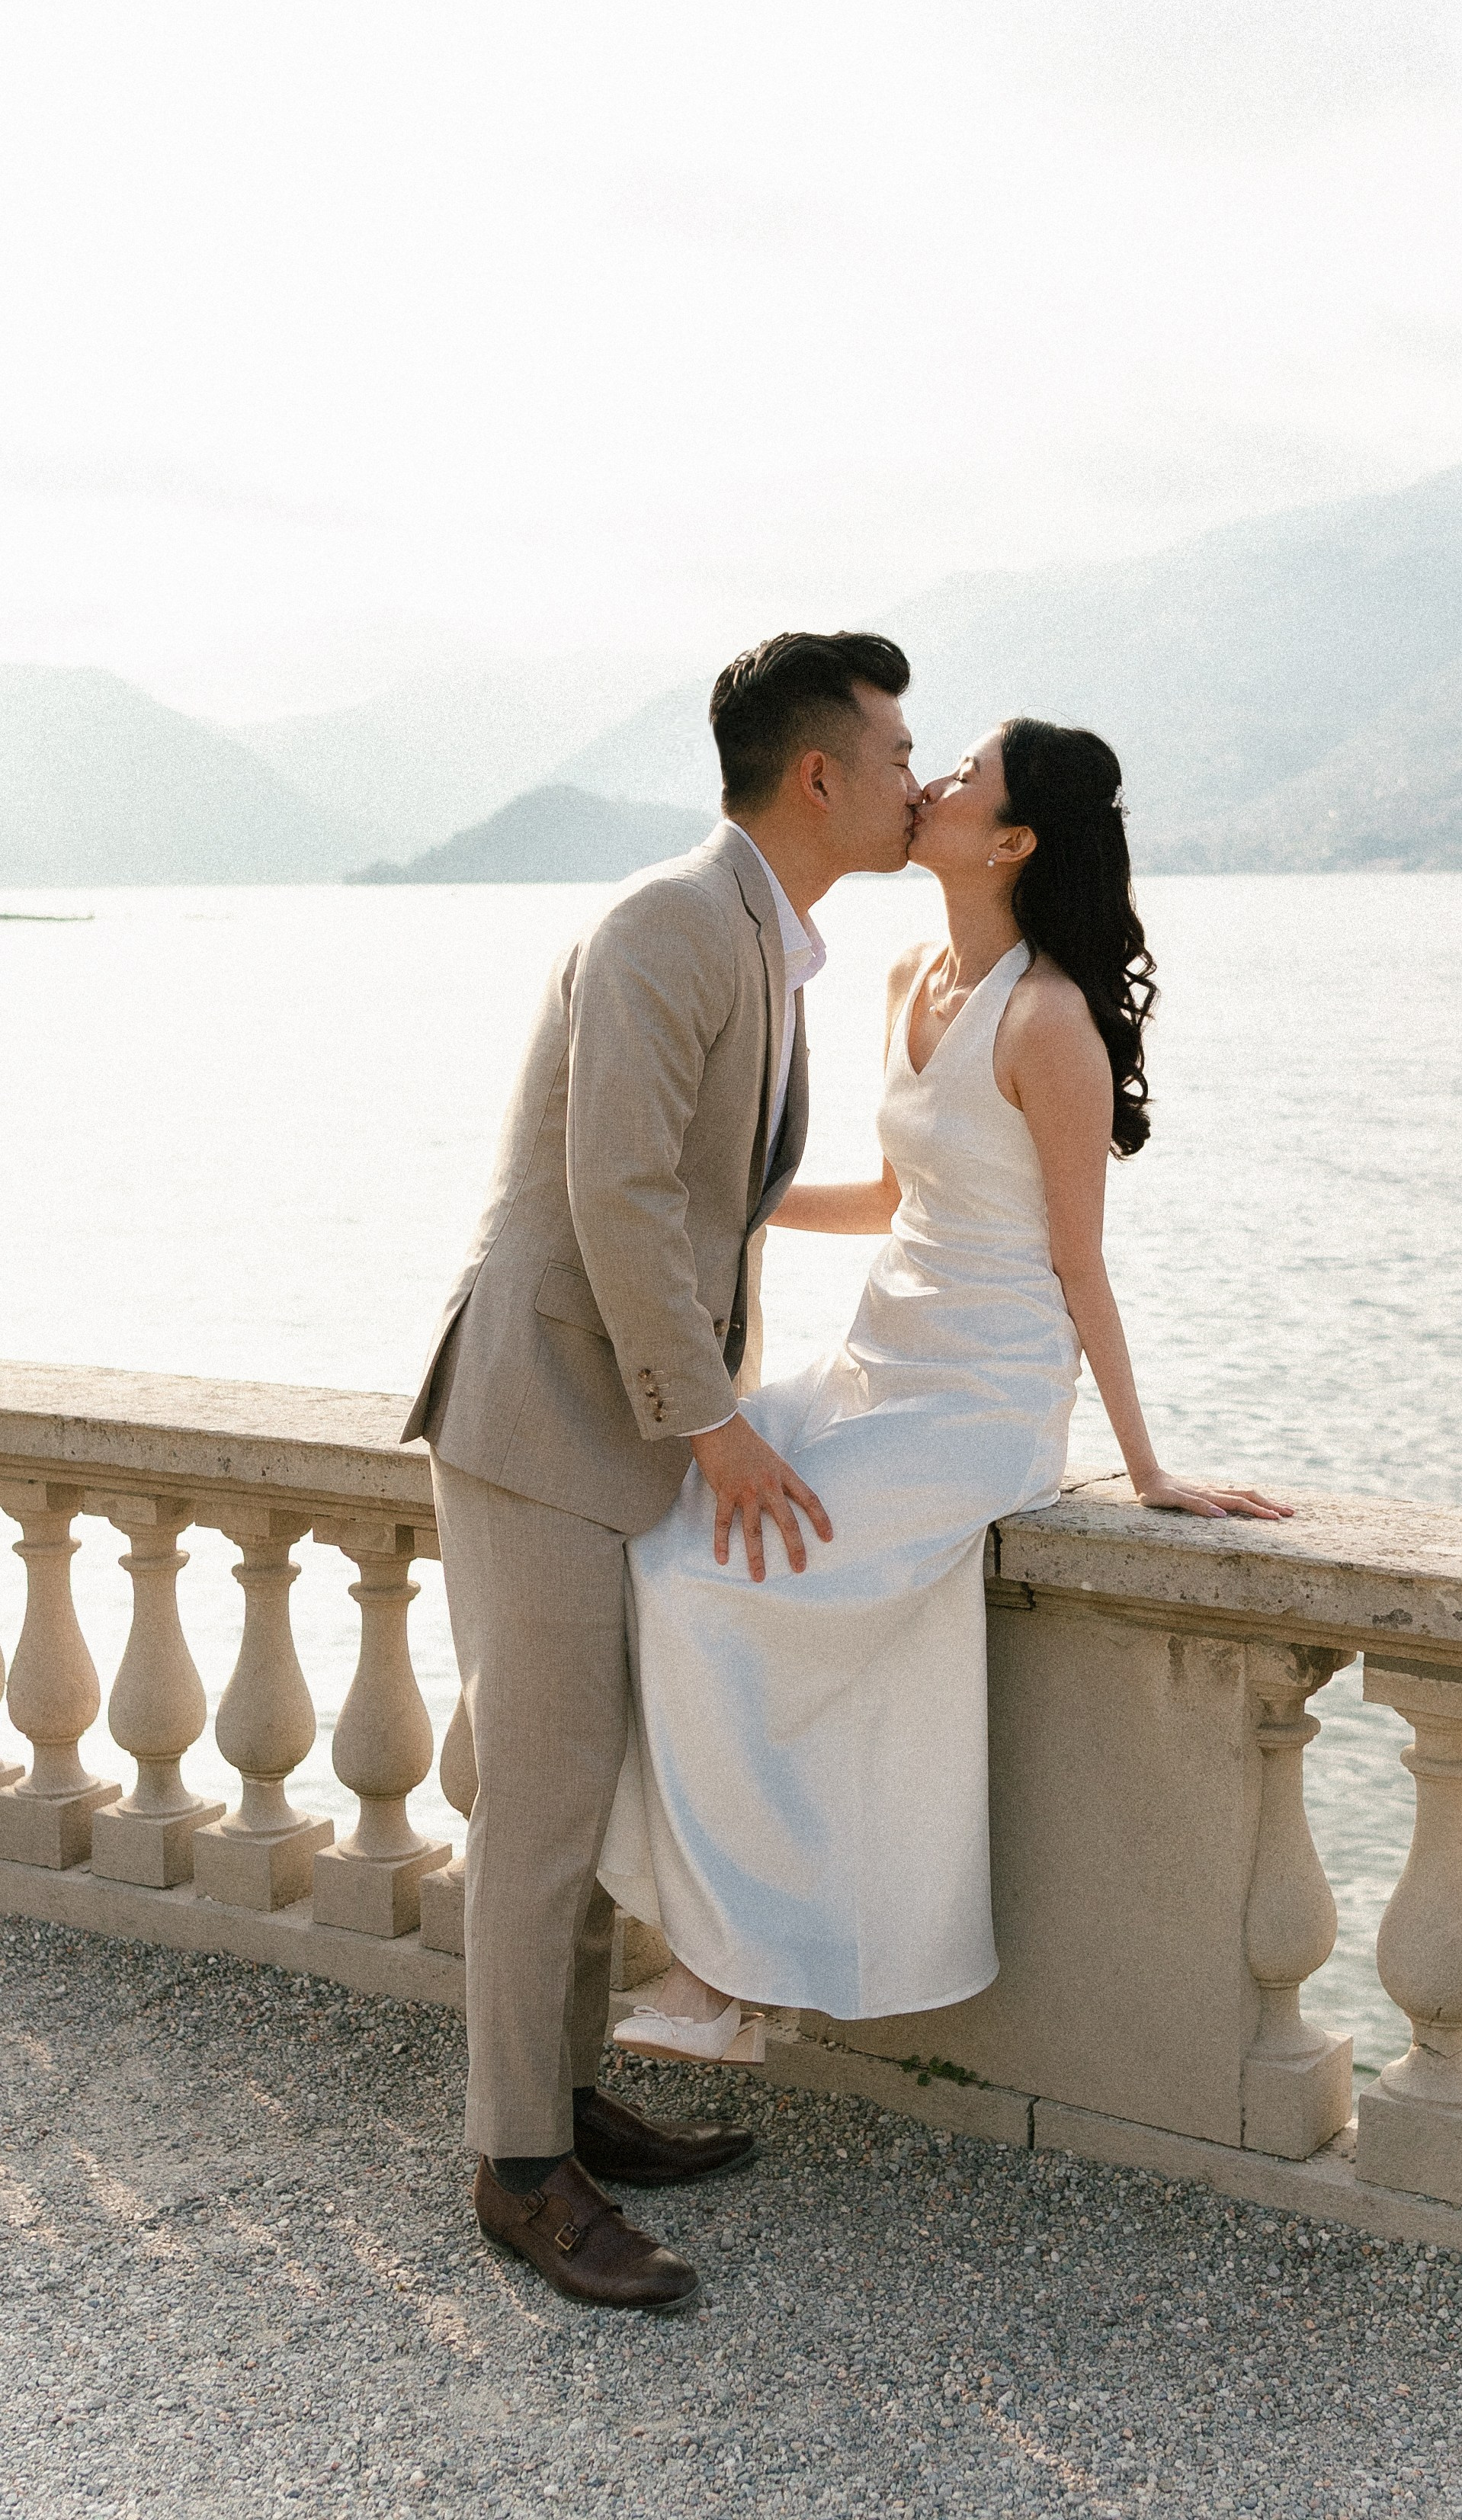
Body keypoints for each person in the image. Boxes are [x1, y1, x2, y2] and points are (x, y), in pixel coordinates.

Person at [602, 717, 1290, 2057]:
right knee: (667, 1546)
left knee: (709, 1591)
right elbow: (898, 1198)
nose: (931, 785)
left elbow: (1078, 1267)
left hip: (979, 1405)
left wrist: (1146, 1468)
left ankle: (729, 1978)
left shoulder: (1051, 1023)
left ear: (1014, 839)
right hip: (875, 1363)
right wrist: (723, 1200)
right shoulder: (912, 971)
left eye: (966, 778)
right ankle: (737, 1958)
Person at [402, 630, 922, 2312]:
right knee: (542, 1807)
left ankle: (557, 2104)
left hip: (612, 1426)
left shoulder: (767, 948)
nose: (916, 781)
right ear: (819, 775)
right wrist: (712, 1427)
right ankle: (517, 2169)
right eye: (897, 753)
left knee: (578, 1791)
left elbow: (719, 1193)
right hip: (547, 1417)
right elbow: (618, 1188)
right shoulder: (668, 922)